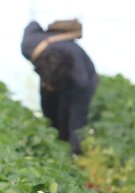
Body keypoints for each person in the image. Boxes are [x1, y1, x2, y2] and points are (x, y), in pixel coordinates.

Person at [20, 19, 97, 156]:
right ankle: (51, 136)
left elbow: (78, 120)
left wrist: (75, 150)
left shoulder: (80, 80)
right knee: (48, 108)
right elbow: (33, 23)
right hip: (53, 67)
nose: (49, 87)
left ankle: (68, 149)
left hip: (79, 80)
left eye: (52, 86)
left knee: (68, 120)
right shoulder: (30, 46)